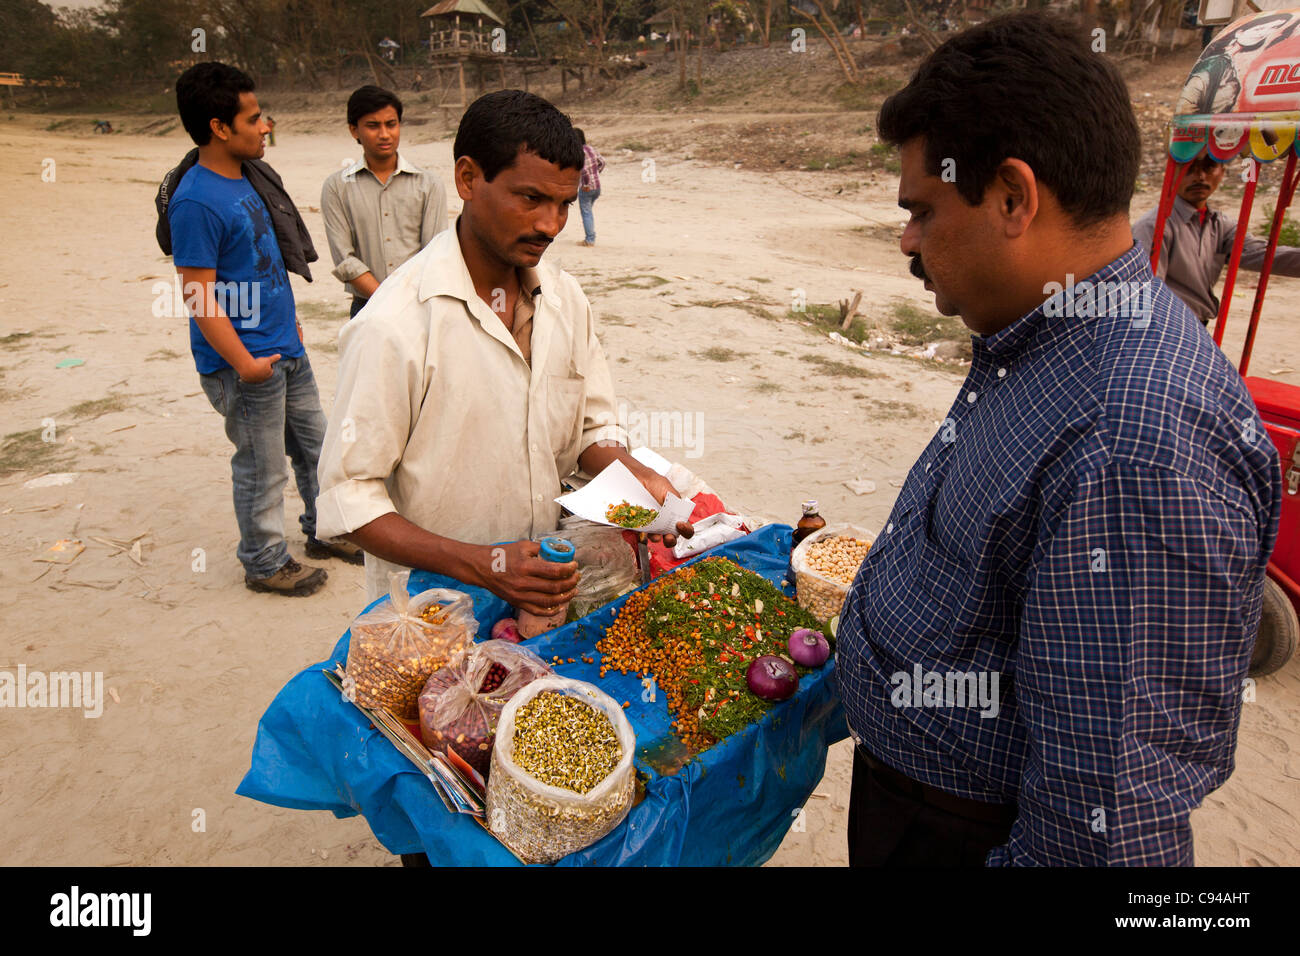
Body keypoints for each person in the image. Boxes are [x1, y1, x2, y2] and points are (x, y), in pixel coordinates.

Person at [836, 13, 1281, 866]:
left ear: (1012, 197)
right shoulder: (1040, 331)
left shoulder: (1133, 437)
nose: (907, 239)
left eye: (923, 210)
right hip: (910, 803)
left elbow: (1101, 835)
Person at [315, 89, 691, 613]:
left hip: (549, 594)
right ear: (468, 179)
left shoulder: (565, 301)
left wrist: (632, 475)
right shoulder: (394, 324)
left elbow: (589, 431)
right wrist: (482, 564)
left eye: (563, 204)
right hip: (436, 615)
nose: (551, 225)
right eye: (531, 198)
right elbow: (351, 499)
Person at [168, 61, 362, 597]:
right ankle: (264, 561)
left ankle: (322, 532)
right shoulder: (196, 200)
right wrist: (244, 363)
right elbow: (197, 295)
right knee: (262, 467)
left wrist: (288, 325)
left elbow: (258, 263)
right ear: (219, 127)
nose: (265, 126)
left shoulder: (247, 178)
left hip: (284, 347)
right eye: (254, 118)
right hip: (246, 365)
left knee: (314, 446)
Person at [320, 85, 448, 319]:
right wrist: (385, 300)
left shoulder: (429, 185)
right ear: (353, 130)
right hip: (366, 307)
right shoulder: (336, 187)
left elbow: (434, 253)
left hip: (418, 307)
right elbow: (344, 259)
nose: (385, 134)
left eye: (391, 124)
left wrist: (403, 302)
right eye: (372, 126)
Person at [1132, 153, 1300, 326]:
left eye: (1208, 167)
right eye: (1189, 169)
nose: (1199, 177)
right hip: (1167, 326)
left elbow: (1264, 255)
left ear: (1222, 172)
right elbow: (1145, 291)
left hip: (1197, 326)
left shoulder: (1218, 224)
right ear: (1172, 173)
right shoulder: (1155, 226)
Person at [574, 128, 604, 247]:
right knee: (588, 212)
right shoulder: (590, 148)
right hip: (597, 186)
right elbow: (602, 161)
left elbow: (584, 171)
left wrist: (586, 184)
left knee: (586, 213)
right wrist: (596, 173)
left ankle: (590, 240)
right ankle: (590, 236)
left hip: (587, 188)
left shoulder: (578, 153)